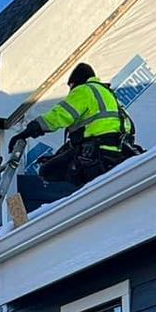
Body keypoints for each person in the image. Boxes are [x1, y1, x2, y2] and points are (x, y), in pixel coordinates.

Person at [14, 63, 139, 213]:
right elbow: (90, 135)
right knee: (60, 162)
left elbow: (60, 115)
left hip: (95, 154)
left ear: (76, 82)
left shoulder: (84, 90)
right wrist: (57, 155)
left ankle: (61, 210)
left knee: (48, 171)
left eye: (71, 87)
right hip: (115, 151)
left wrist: (32, 129)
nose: (70, 92)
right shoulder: (107, 93)